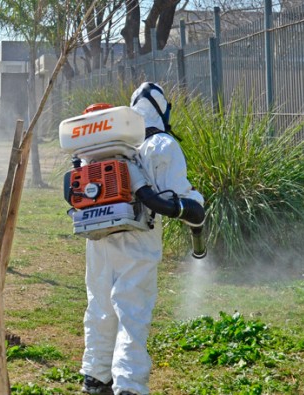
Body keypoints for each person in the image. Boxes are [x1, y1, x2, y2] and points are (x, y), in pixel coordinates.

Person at [80, 82, 205, 395]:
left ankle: (95, 378)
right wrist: (195, 207)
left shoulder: (107, 143)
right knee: (131, 312)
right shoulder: (161, 145)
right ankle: (129, 386)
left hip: (97, 236)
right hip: (139, 240)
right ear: (162, 109)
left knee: (100, 305)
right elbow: (177, 199)